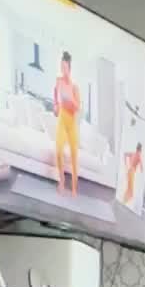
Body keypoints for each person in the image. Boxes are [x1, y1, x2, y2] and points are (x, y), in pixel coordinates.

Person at [53, 51, 82, 196]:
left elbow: (78, 108)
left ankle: (75, 187)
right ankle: (62, 182)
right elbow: (55, 93)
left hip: (72, 122)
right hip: (62, 119)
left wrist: (71, 100)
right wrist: (56, 105)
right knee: (58, 150)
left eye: (65, 67)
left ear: (69, 68)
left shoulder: (74, 86)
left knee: (74, 155)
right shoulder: (58, 81)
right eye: (61, 67)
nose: (62, 70)